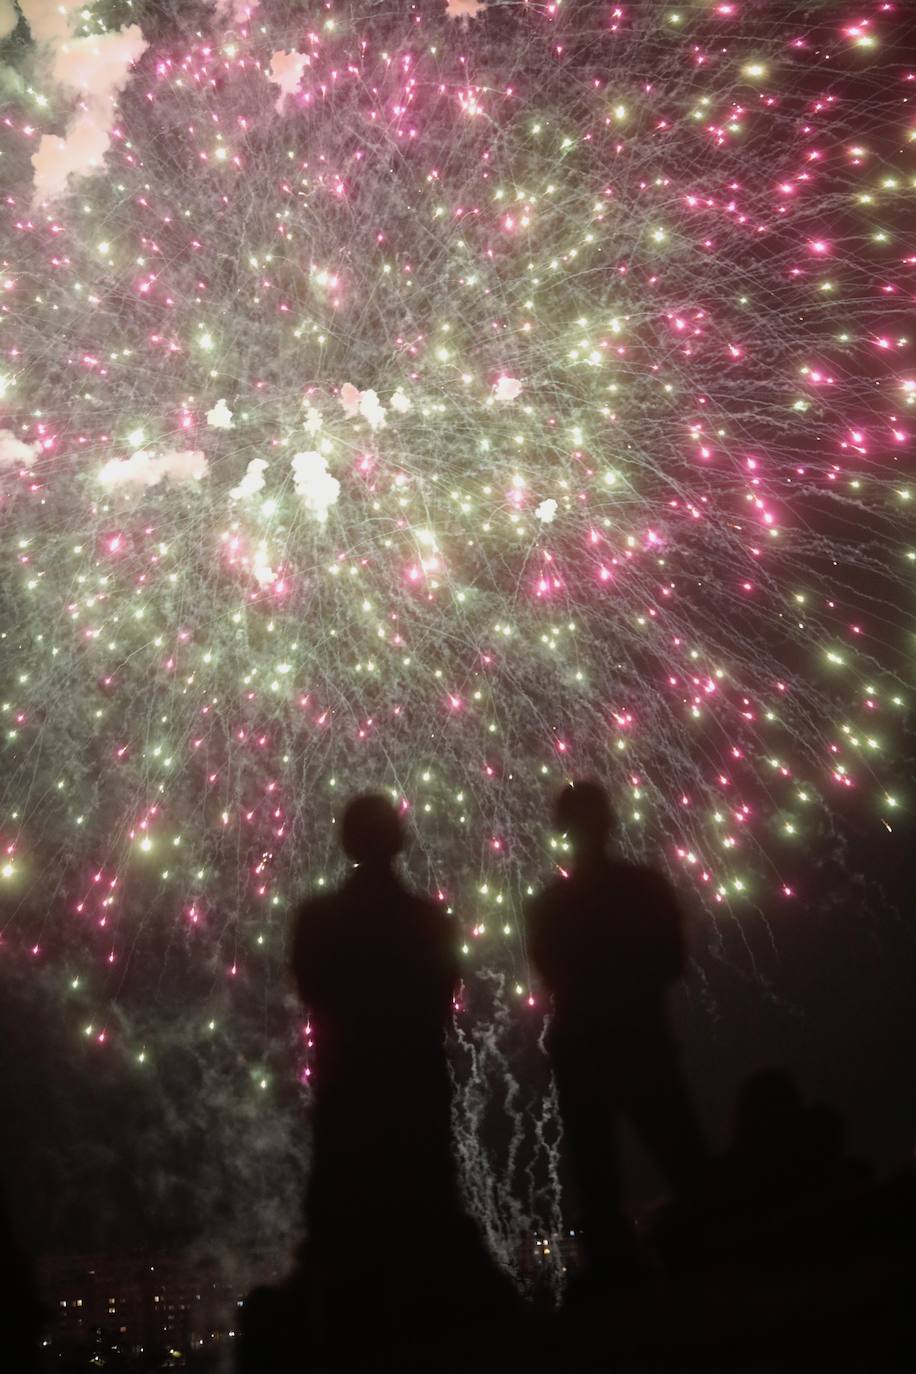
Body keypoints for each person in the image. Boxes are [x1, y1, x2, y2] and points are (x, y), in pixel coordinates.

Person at [291, 794, 513, 1362]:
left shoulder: (317, 921)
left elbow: (313, 993)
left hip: (348, 1103)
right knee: (427, 1235)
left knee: (345, 1251)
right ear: (400, 840)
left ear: (345, 842)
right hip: (416, 1099)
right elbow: (442, 1002)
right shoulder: (429, 921)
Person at [527, 779, 709, 1287]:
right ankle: (717, 1267)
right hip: (641, 1038)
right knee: (684, 1160)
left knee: (597, 1181)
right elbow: (672, 962)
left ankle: (613, 1285)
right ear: (611, 821)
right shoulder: (645, 888)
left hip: (581, 1047)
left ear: (562, 831)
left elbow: (550, 974)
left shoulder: (549, 906)